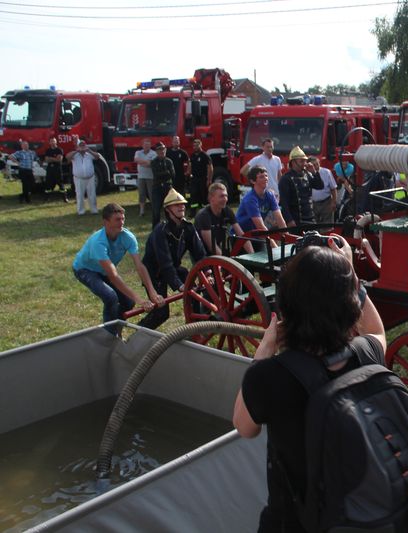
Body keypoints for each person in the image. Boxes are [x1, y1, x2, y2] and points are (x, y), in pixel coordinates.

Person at [232, 236, 387, 532]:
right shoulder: (365, 353)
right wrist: (351, 277)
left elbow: (243, 426)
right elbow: (377, 331)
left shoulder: (270, 376)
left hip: (298, 521)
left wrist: (264, 350)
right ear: (349, 307)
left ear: (287, 306)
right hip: (362, 512)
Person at [73, 203, 162, 334]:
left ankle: (116, 329)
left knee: (128, 302)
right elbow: (113, 276)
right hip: (85, 270)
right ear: (106, 222)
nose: (121, 222)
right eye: (117, 219)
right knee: (110, 297)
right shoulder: (98, 242)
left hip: (104, 271)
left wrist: (152, 292)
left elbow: (139, 266)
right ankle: (109, 335)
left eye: (123, 219)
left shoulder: (128, 237)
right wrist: (140, 300)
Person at [139, 189, 206, 330]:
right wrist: (179, 285)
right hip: (154, 273)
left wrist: (207, 273)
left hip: (173, 268)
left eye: (182, 204)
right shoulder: (160, 231)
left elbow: (200, 254)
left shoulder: (188, 227)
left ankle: (196, 329)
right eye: (177, 205)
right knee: (161, 313)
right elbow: (165, 264)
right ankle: (139, 333)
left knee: (193, 290)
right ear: (168, 209)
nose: (181, 207)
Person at [195, 182, 253, 255]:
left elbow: (242, 236)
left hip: (217, 249)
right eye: (221, 196)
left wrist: (252, 255)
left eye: (226, 196)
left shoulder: (227, 211)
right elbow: (211, 246)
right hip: (202, 253)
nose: (225, 199)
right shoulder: (204, 216)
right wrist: (226, 263)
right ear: (211, 198)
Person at [236, 166, 287, 249]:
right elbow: (260, 226)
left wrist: (288, 240)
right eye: (261, 177)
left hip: (256, 234)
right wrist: (276, 249)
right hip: (241, 236)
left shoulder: (270, 195)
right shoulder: (250, 199)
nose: (265, 178)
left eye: (266, 176)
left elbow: (280, 220)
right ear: (252, 181)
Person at [278, 146, 324, 227]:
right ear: (293, 162)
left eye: (305, 161)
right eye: (301, 161)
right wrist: (289, 220)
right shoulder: (286, 179)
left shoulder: (307, 175)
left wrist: (314, 172)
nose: (304, 164)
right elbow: (284, 202)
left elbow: (320, 186)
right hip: (296, 220)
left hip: (310, 218)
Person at [241, 138, 282, 202]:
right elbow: (243, 171)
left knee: (275, 211)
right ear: (263, 147)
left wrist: (281, 190)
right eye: (267, 147)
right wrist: (253, 180)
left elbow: (279, 176)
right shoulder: (257, 159)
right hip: (262, 193)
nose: (270, 149)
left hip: (275, 193)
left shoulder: (277, 159)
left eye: (271, 147)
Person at [67, 140, 100, 215]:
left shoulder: (89, 154)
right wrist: (76, 151)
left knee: (92, 194)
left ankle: (94, 210)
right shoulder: (75, 155)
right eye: (81, 145)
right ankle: (81, 211)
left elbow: (97, 156)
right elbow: (67, 157)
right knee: (80, 195)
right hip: (79, 178)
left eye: (83, 145)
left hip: (90, 177)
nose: (82, 147)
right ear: (78, 146)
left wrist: (89, 150)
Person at [150, 141, 175, 228]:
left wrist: (164, 173)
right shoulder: (154, 162)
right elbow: (156, 175)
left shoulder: (169, 161)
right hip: (157, 188)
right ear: (156, 151)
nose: (162, 151)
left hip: (167, 188)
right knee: (156, 211)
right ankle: (155, 230)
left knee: (169, 210)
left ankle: (171, 228)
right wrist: (166, 173)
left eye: (163, 149)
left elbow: (172, 174)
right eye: (159, 149)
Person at [308, 156, 337, 226]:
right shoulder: (307, 174)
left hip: (326, 203)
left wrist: (334, 202)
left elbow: (333, 188)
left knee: (327, 226)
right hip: (313, 204)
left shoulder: (326, 172)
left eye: (317, 164)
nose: (316, 166)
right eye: (314, 165)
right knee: (314, 226)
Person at [188, 138, 214, 214]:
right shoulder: (192, 155)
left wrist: (209, 179)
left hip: (203, 179)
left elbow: (210, 168)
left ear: (200, 145)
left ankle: (206, 212)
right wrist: (188, 173)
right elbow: (190, 165)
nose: (195, 147)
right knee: (193, 195)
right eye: (194, 145)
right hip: (194, 179)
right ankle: (192, 213)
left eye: (197, 145)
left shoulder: (205, 155)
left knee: (204, 196)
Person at [9, 139, 37, 203]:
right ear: (22, 146)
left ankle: (22, 196)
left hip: (30, 170)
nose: (26, 146)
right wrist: (17, 162)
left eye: (26, 145)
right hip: (23, 170)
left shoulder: (32, 152)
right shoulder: (20, 152)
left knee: (32, 184)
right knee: (25, 185)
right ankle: (27, 199)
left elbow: (37, 158)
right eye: (24, 145)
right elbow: (10, 156)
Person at [134, 138, 156, 216]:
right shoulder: (138, 152)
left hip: (150, 177)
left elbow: (151, 164)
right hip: (141, 177)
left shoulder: (154, 153)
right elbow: (136, 160)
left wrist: (142, 162)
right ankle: (142, 211)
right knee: (141, 194)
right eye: (145, 145)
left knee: (151, 194)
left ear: (150, 145)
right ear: (142, 145)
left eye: (148, 145)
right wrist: (146, 162)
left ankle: (154, 210)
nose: (146, 146)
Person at [44, 137, 69, 202]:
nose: (52, 143)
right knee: (48, 184)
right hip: (50, 169)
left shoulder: (59, 150)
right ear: (49, 142)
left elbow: (59, 159)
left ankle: (65, 198)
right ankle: (47, 198)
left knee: (60, 183)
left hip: (57, 168)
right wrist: (55, 158)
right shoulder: (48, 150)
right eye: (51, 141)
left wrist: (51, 158)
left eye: (54, 141)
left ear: (56, 142)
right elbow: (46, 160)